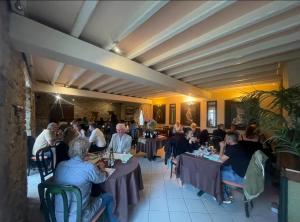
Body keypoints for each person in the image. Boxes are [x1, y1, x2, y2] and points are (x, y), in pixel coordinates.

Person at [54, 138, 118, 222]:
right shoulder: (89, 167)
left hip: (58, 216)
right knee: (109, 196)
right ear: (86, 151)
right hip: (80, 217)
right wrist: (102, 169)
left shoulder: (60, 165)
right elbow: (102, 178)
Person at [219, 132, 251, 203]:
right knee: (223, 168)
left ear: (229, 140)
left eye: (225, 138)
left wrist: (222, 147)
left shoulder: (232, 149)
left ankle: (223, 196)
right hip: (246, 174)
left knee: (217, 173)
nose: (224, 139)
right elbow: (227, 160)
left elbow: (221, 159)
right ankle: (227, 192)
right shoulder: (238, 146)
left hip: (242, 178)